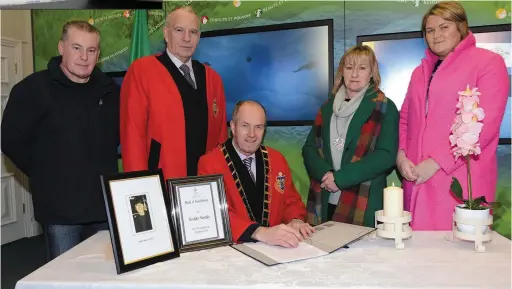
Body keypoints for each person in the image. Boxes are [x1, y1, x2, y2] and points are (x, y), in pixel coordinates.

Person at [1, 21, 120, 260]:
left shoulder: (110, 91)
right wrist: (45, 172)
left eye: (91, 50)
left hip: (103, 208)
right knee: (63, 279)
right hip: (60, 212)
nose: (84, 57)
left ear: (98, 53)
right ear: (61, 47)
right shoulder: (33, 89)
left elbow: (115, 137)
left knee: (104, 279)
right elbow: (10, 140)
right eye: (76, 48)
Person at [397, 2, 509, 230]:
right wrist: (401, 155)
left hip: (459, 180)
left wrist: (437, 162)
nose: (436, 35)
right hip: (416, 178)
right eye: (430, 30)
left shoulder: (488, 63)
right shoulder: (419, 72)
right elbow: (406, 119)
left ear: (461, 27)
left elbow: (484, 126)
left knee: (459, 259)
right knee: (416, 260)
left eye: (444, 27)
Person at [120, 6, 228, 179]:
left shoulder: (213, 79)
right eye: (179, 30)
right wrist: (140, 187)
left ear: (199, 37)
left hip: (205, 188)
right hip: (161, 183)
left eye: (193, 32)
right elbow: (133, 136)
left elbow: (221, 140)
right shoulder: (142, 71)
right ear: (166, 33)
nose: (187, 38)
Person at [303, 45, 399, 227]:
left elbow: (386, 155)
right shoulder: (327, 107)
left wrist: (340, 179)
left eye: (362, 68)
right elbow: (309, 149)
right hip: (324, 199)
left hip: (362, 203)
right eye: (349, 68)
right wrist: (325, 175)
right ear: (342, 72)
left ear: (372, 73)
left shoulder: (385, 107)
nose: (354, 74)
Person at [198, 101, 314, 248]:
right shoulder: (209, 164)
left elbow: (290, 201)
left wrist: (295, 220)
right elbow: (218, 214)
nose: (252, 134)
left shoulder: (277, 159)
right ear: (233, 127)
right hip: (234, 251)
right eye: (245, 126)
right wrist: (260, 232)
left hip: (276, 249)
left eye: (258, 127)